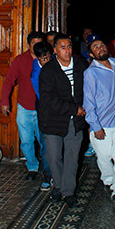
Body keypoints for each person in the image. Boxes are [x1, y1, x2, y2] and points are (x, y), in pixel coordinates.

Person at [82, 34, 115, 208]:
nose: (101, 48)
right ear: (92, 55)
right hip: (100, 124)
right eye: (96, 47)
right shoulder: (90, 73)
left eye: (102, 44)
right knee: (103, 156)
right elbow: (88, 103)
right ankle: (109, 180)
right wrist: (96, 126)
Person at [38, 33, 88, 207]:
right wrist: (74, 108)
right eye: (62, 47)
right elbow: (48, 99)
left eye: (69, 47)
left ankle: (68, 192)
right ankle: (58, 186)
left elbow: (88, 88)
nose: (67, 51)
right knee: (53, 156)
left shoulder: (81, 65)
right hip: (53, 120)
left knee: (72, 158)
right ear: (54, 50)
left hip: (76, 120)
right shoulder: (48, 70)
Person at [0, 31, 50, 181]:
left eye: (39, 43)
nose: (37, 46)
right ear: (28, 45)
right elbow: (8, 81)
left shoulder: (49, 60)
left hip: (43, 109)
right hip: (25, 108)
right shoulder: (20, 60)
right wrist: (4, 101)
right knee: (27, 140)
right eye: (34, 44)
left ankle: (48, 170)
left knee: (44, 142)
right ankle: (32, 167)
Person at [31, 41, 55, 191]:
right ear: (37, 57)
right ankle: (47, 175)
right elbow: (42, 94)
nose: (45, 60)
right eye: (43, 58)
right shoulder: (35, 72)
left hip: (59, 110)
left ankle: (58, 174)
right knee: (45, 144)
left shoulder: (57, 65)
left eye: (48, 57)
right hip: (45, 111)